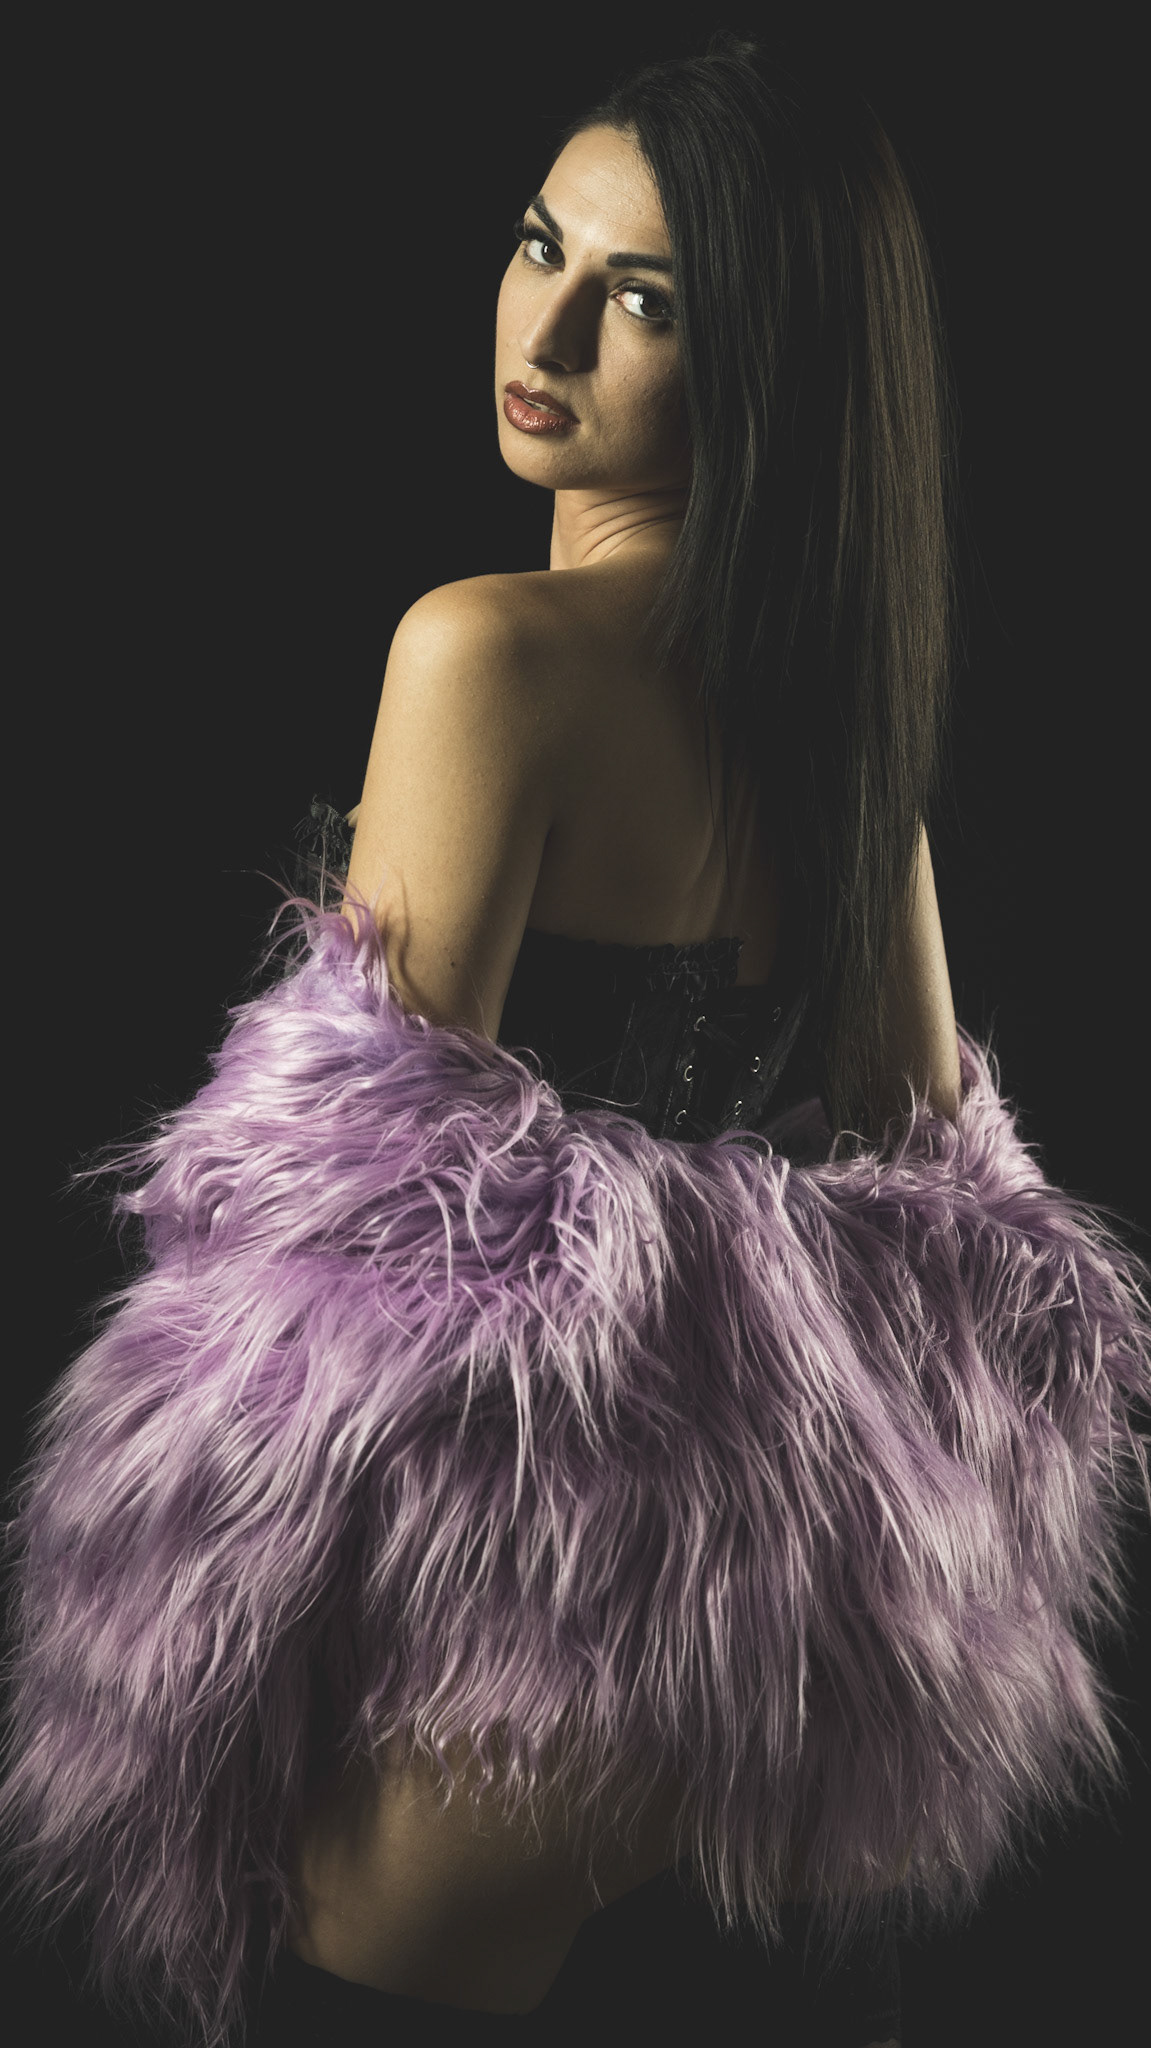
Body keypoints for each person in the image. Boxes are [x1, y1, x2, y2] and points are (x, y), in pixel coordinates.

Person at [1, 34, 1148, 2048]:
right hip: (786, 1688)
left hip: (501, 1662)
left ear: (771, 363)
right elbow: (948, 1214)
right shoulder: (846, 752)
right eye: (539, 248)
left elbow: (359, 1227)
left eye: (646, 301)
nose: (545, 333)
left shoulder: (484, 656)